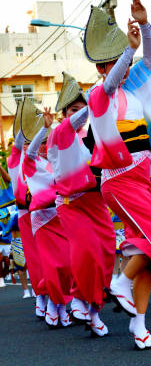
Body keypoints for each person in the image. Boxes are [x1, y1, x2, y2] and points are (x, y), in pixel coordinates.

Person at [84, 0, 151, 349]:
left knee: (150, 251)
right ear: (100, 69)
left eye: (122, 62)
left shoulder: (136, 84)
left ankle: (138, 323)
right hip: (119, 181)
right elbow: (111, 83)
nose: (120, 69)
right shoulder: (100, 94)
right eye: (111, 64)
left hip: (141, 178)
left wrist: (145, 24)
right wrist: (128, 49)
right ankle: (120, 282)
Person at [46, 73, 116, 336]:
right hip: (70, 204)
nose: (80, 114)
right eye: (73, 109)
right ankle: (76, 297)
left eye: (81, 108)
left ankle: (95, 310)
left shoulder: (91, 133)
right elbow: (76, 119)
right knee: (86, 249)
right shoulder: (58, 135)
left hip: (96, 202)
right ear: (65, 113)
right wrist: (96, 97)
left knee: (107, 252)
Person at [22, 104, 74, 328]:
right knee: (52, 266)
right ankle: (54, 305)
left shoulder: (60, 162)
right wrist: (44, 129)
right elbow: (31, 150)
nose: (45, 145)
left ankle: (62, 306)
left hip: (63, 216)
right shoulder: (31, 162)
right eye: (43, 142)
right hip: (42, 219)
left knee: (68, 265)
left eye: (48, 141)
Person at [7, 102, 48, 318]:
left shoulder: (43, 157)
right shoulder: (16, 160)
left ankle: (57, 300)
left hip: (49, 211)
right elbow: (20, 139)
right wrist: (25, 120)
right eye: (26, 140)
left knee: (52, 258)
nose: (28, 144)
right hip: (26, 213)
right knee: (35, 259)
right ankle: (41, 297)